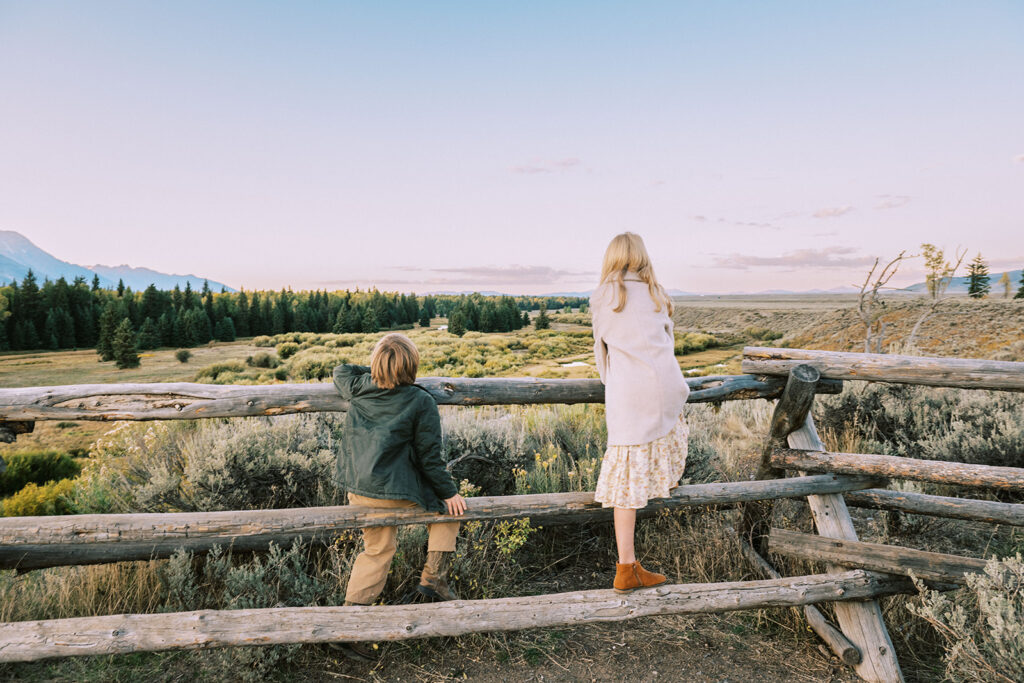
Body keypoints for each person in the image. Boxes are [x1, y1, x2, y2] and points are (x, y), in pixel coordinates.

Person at [331, 333, 467, 660]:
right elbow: (429, 458)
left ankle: (347, 627)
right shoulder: (420, 401)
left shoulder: (359, 385)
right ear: (412, 367)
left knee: (377, 550)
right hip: (393, 490)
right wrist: (449, 493)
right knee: (450, 510)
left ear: (377, 363)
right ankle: (434, 579)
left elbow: (341, 369)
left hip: (359, 490)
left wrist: (381, 368)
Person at [590, 232, 690, 594]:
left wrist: (613, 384)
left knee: (625, 483)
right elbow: (668, 344)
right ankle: (665, 481)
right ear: (643, 257)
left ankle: (626, 567)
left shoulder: (604, 296)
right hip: (667, 384)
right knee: (667, 434)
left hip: (630, 392)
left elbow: (602, 355)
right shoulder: (657, 293)